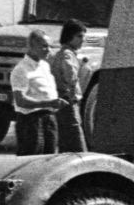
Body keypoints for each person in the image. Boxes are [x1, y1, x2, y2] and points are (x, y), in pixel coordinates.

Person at [9, 28, 70, 156]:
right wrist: (49, 103)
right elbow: (20, 101)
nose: (48, 50)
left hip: (49, 118)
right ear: (31, 47)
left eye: (49, 46)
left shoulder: (45, 65)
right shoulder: (21, 69)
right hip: (31, 121)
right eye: (44, 46)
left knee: (49, 160)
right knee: (31, 160)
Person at [51, 19, 87, 152]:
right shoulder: (67, 55)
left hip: (61, 100)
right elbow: (70, 77)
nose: (82, 40)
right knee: (77, 142)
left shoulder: (61, 53)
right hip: (68, 100)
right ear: (69, 36)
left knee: (64, 142)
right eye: (79, 36)